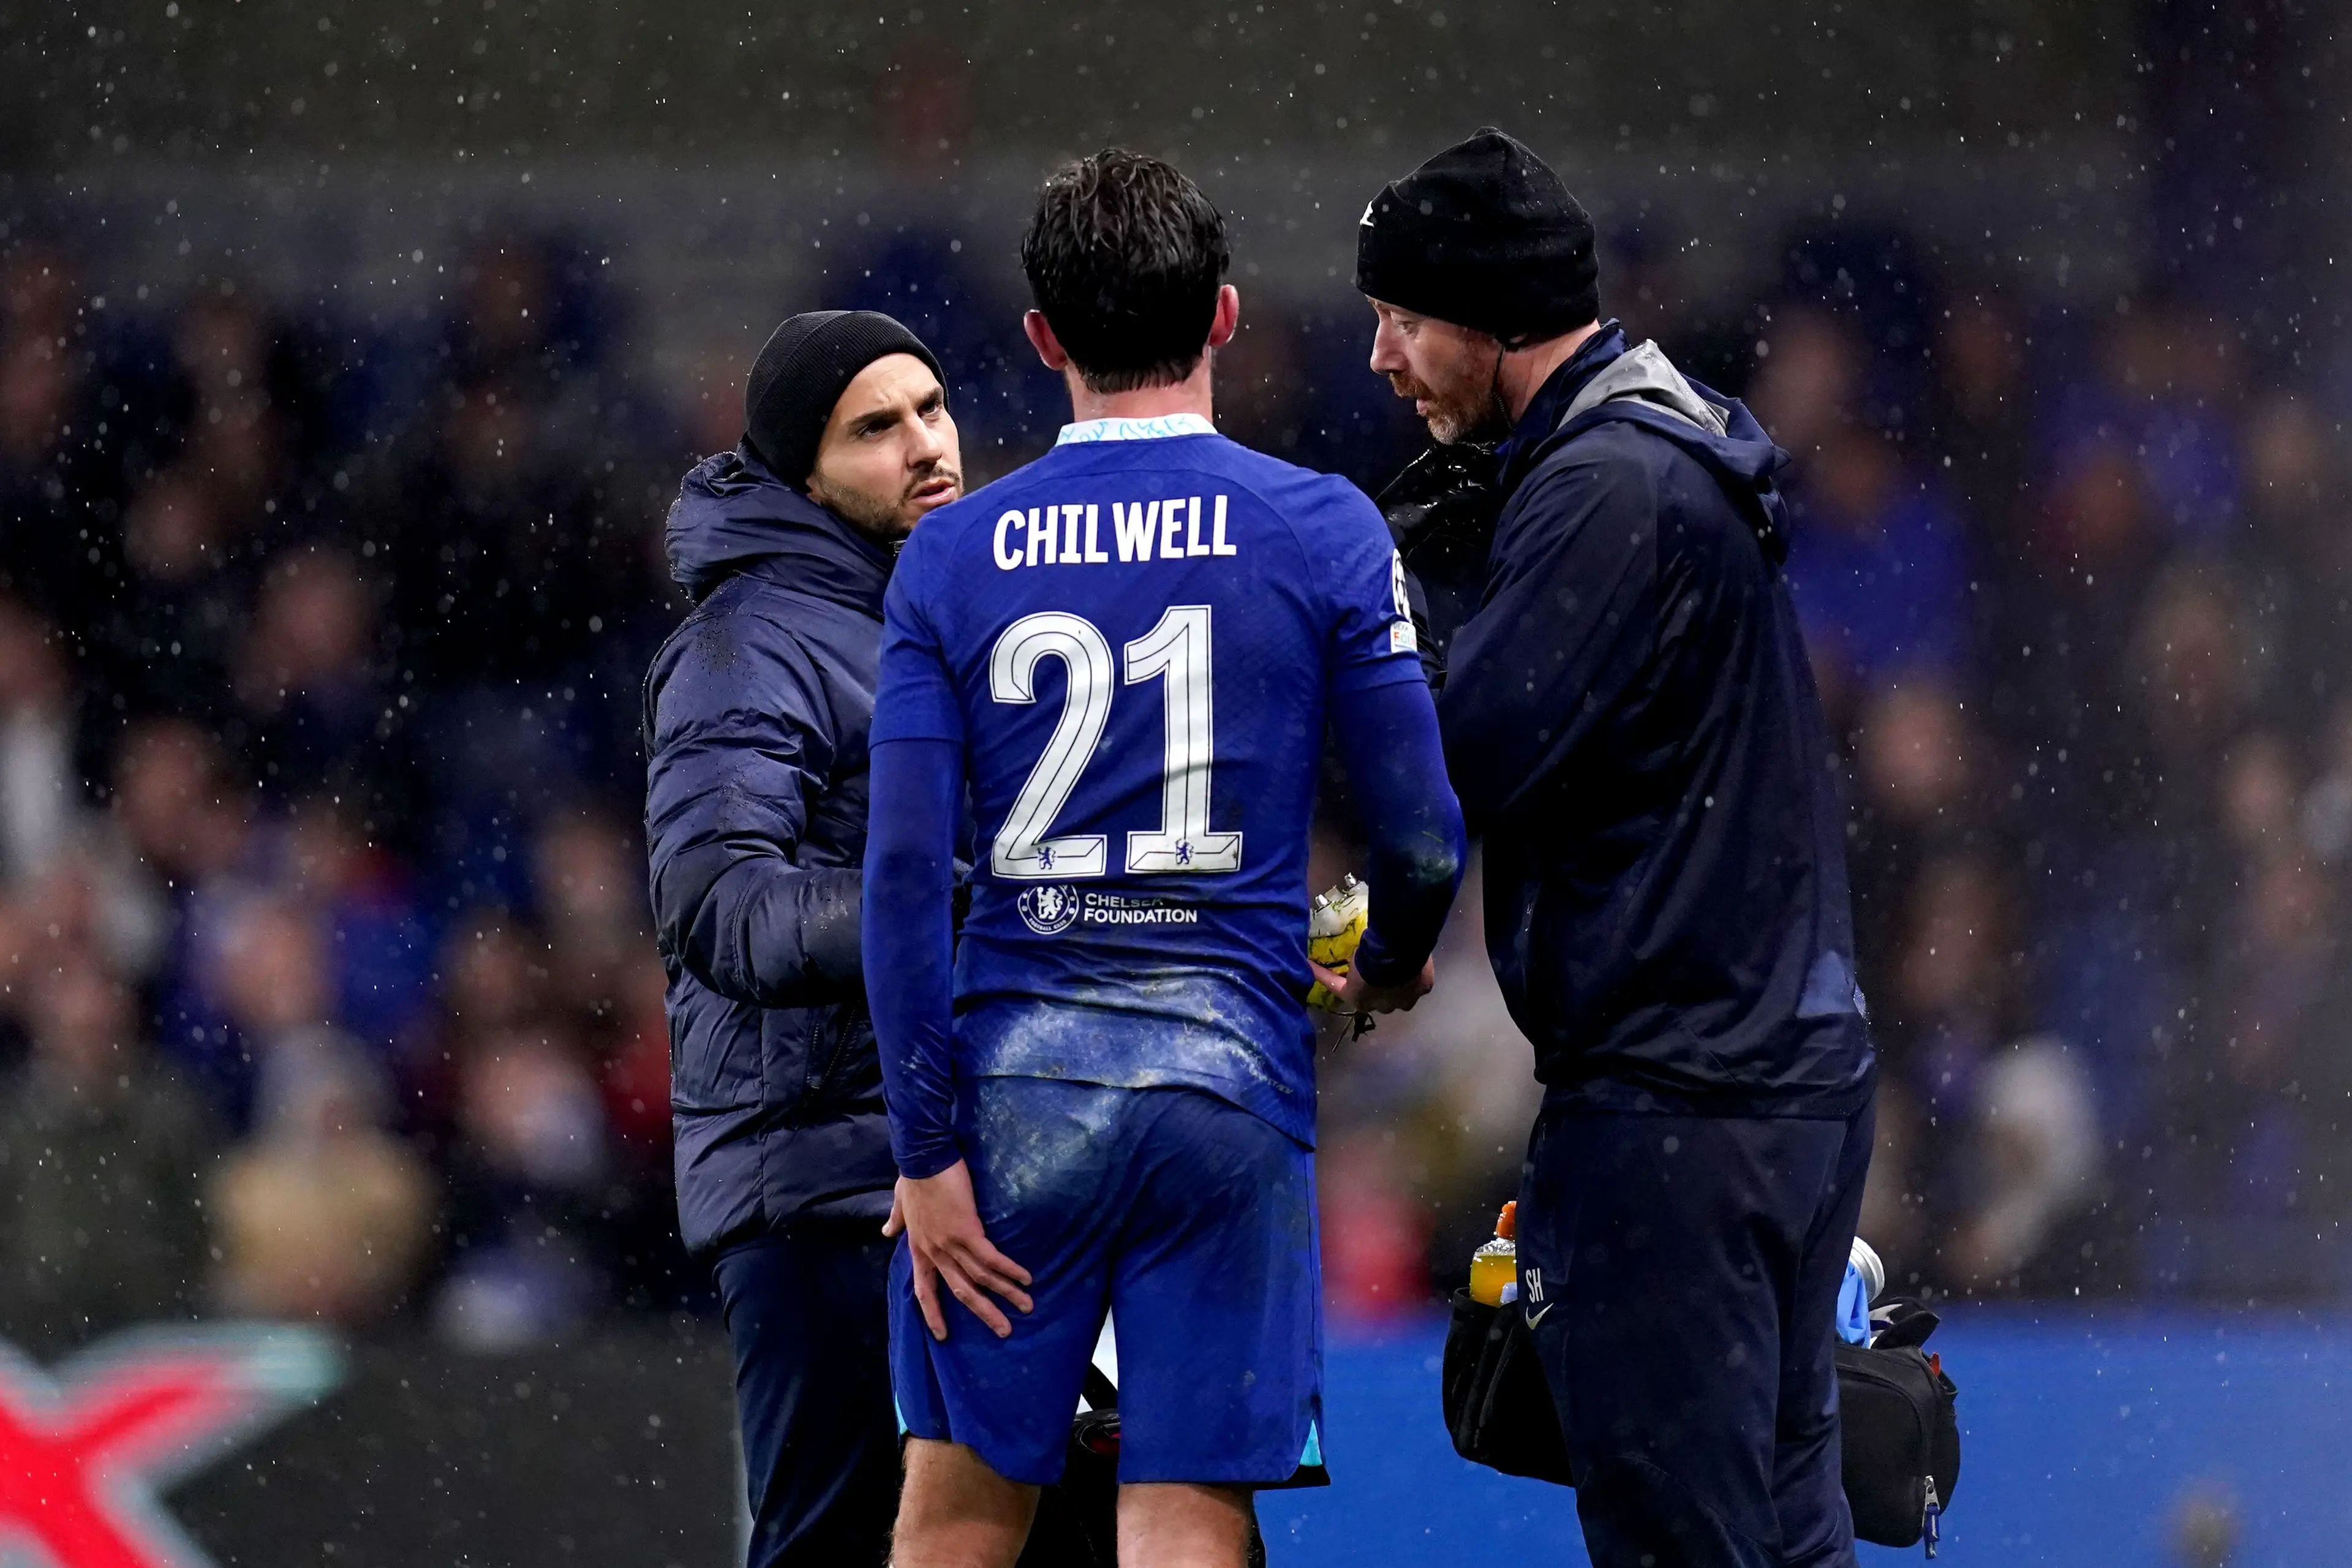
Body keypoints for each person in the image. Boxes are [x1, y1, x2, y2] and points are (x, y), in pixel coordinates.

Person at [864, 149, 1466, 1568]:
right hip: (1225, 1089)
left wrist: (927, 1152)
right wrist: (1382, 964)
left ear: (1043, 338)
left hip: (1014, 1092)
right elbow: (1425, 834)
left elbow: (902, 884)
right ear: (1227, 315)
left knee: (955, 1518)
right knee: (1185, 1516)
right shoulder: (1323, 525)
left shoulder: (950, 558)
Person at [1358, 129, 1879, 1568]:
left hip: (1679, 1106)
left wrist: (1403, 612)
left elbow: (1457, 761)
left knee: (1683, 1543)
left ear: (1493, 317)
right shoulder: (1657, 446)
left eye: (1404, 318)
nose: (1383, 357)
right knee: (1784, 1535)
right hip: (1775, 1080)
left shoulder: (1607, 487)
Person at [642, 309, 962, 1567]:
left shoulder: (926, 616)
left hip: (927, 1172)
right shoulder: (745, 643)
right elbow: (721, 903)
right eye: (875, 427)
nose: (926, 444)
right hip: (821, 1190)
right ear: (804, 474)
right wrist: (946, 908)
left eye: (932, 407)